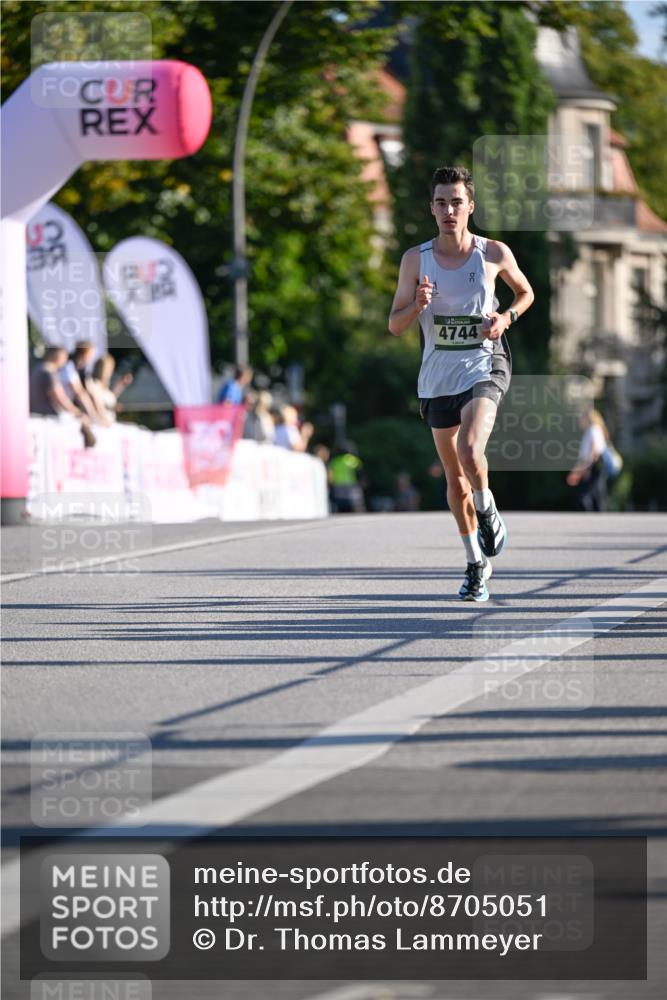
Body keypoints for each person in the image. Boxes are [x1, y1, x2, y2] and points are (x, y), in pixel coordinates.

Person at [388, 165, 534, 602]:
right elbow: (395, 326)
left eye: (457, 202)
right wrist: (417, 305)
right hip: (437, 376)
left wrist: (505, 317)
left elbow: (524, 293)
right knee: (454, 480)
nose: (449, 210)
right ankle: (476, 566)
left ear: (470, 206)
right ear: (431, 209)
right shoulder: (416, 260)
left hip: (484, 364)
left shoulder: (493, 253)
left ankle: (487, 508)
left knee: (472, 450)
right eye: (441, 202)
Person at [29, 346, 96, 447]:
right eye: (64, 357)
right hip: (49, 419)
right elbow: (59, 398)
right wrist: (78, 413)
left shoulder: (38, 369)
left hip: (37, 416)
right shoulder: (49, 372)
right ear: (58, 356)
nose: (65, 361)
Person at [566, 408, 609, 512]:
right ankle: (599, 520)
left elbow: (593, 450)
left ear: (588, 419)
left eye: (581, 419)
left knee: (584, 496)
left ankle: (590, 520)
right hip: (593, 464)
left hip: (594, 464)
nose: (580, 421)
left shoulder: (593, 429)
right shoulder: (592, 430)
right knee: (597, 494)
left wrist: (587, 468)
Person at [89, 353, 134, 423]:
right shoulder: (94, 384)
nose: (111, 372)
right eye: (109, 369)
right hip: (101, 423)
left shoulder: (104, 385)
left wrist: (122, 384)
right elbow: (98, 405)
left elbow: (111, 398)